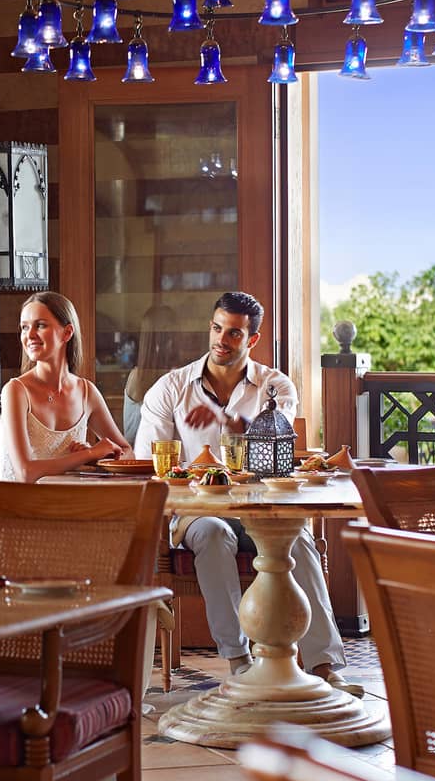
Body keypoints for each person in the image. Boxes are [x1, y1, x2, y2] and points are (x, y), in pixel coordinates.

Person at [133, 291, 360, 695]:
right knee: (215, 535)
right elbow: (151, 463)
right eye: (217, 328)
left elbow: (276, 436)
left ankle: (325, 665)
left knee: (299, 541)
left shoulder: (275, 385)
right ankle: (239, 662)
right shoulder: (171, 388)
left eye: (234, 333)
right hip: (198, 511)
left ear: (252, 339)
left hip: (264, 507)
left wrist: (226, 419)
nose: (221, 339)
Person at [0, 291, 131, 483]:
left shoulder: (86, 392)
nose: (30, 335)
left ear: (67, 333)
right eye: (24, 328)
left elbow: (127, 452)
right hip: (22, 507)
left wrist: (100, 460)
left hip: (70, 503)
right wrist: (88, 455)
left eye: (40, 325)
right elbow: (25, 473)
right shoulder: (16, 391)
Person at [123, 304, 178, 444]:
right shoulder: (139, 376)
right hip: (141, 456)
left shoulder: (174, 373)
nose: (172, 340)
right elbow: (134, 434)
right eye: (167, 335)